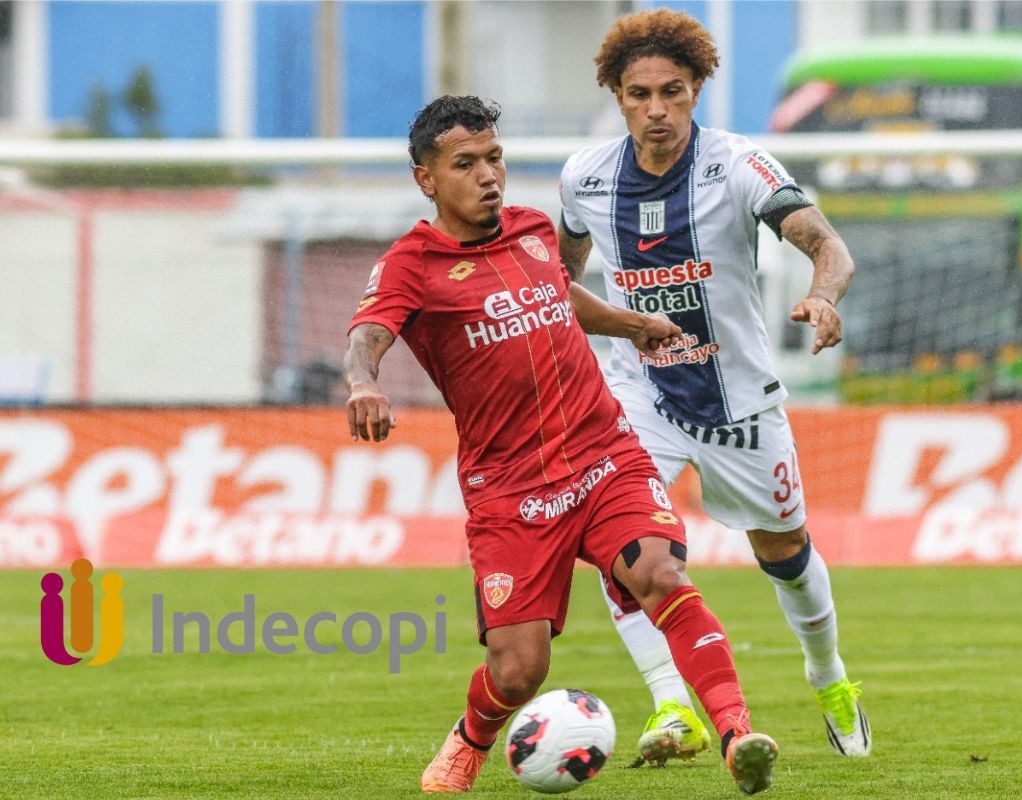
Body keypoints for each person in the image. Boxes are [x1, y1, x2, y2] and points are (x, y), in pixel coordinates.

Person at [343, 95, 779, 795]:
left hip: (602, 453)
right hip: (511, 489)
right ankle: (469, 739)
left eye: (495, 158)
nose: (489, 175)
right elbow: (367, 335)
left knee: (661, 576)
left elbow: (561, 295)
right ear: (428, 179)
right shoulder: (411, 263)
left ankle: (736, 735)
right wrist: (362, 383)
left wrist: (630, 324)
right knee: (519, 672)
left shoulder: (533, 231)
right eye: (466, 164)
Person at [557, 8, 871, 764]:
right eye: (639, 94)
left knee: (784, 552)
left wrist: (824, 294)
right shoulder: (584, 178)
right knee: (622, 550)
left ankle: (828, 677)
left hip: (738, 402)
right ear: (617, 94)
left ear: (697, 88)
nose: (656, 108)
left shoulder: (738, 166)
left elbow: (828, 245)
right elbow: (557, 285)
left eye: (673, 90)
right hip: (640, 398)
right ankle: (674, 706)